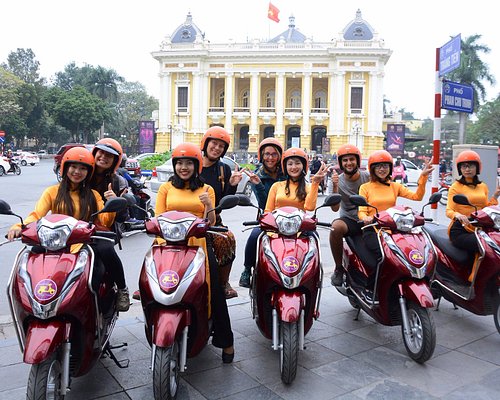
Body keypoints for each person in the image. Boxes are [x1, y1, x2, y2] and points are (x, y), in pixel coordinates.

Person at [156, 142, 235, 363]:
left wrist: (209, 205)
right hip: (167, 243)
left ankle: (226, 342)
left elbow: (211, 222)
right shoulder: (166, 188)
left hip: (198, 243)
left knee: (213, 290)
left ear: (196, 166)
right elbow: (158, 218)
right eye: (179, 163)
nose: (184, 167)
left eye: (188, 163)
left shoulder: (206, 189)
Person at [7, 147, 118, 296]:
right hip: (55, 242)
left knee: (97, 270)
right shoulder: (52, 192)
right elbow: (37, 214)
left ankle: (121, 290)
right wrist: (18, 227)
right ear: (65, 168)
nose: (77, 172)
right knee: (31, 265)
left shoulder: (94, 195)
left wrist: (112, 202)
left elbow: (105, 221)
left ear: (88, 172)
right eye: (73, 167)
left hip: (84, 243)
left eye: (83, 168)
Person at [358, 150, 433, 301]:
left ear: (390, 168)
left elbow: (417, 197)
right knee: (383, 257)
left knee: (412, 252)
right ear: (372, 169)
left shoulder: (394, 186)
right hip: (373, 229)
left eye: (385, 166)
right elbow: (361, 211)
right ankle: (370, 288)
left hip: (393, 229)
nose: (382, 169)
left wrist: (423, 176)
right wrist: (366, 218)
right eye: (378, 166)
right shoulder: (365, 187)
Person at [200, 126, 244, 299]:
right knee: (161, 240)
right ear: (205, 144)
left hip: (212, 219)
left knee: (227, 239)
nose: (217, 148)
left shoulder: (223, 169)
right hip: (187, 217)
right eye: (214, 143)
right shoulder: (193, 164)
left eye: (221, 146)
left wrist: (232, 185)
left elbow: (224, 202)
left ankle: (223, 282)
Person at [238, 137, 286, 288]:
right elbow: (264, 204)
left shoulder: (287, 172)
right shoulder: (257, 176)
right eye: (267, 154)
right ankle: (247, 269)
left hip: (289, 218)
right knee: (254, 236)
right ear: (261, 156)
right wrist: (258, 185)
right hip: (268, 218)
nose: (270, 158)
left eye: (274, 154)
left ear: (279, 156)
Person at [89, 138, 131, 311]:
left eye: (109, 155)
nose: (104, 157)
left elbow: (124, 216)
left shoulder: (118, 182)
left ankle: (122, 288)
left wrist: (114, 201)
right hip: (78, 226)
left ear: (116, 161)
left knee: (105, 250)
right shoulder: (83, 172)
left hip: (105, 230)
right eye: (101, 152)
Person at [328, 144, 370, 286]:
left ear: (357, 161)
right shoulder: (336, 180)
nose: (349, 163)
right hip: (350, 220)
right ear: (340, 163)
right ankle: (339, 268)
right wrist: (335, 186)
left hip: (370, 219)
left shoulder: (368, 177)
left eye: (352, 159)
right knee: (335, 227)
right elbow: (334, 208)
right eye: (345, 160)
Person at [446, 150, 499, 258]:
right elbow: (449, 211)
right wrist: (458, 215)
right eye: (464, 166)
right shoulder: (456, 187)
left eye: (470, 166)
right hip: (461, 229)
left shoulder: (483, 186)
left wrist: (496, 195)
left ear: (477, 167)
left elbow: (485, 209)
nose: (467, 169)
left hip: (479, 228)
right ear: (460, 169)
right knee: (485, 245)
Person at [265, 147, 327, 212]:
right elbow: (268, 211)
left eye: (297, 163)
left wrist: (315, 183)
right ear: (285, 167)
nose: (294, 167)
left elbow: (310, 207)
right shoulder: (276, 186)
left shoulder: (308, 187)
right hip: (277, 218)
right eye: (290, 164)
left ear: (303, 165)